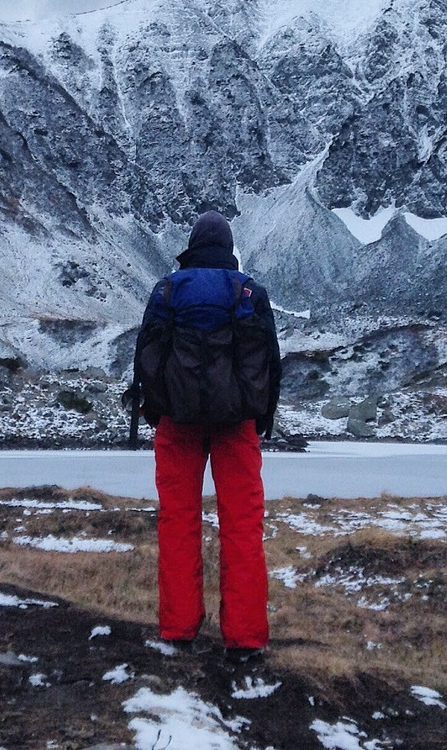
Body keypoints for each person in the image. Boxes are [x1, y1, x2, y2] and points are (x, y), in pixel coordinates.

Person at [129, 210, 282, 661]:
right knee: (242, 527)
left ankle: (178, 630)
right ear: (229, 249)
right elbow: (271, 362)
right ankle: (246, 638)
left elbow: (147, 358)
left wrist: (155, 411)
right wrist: (264, 415)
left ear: (191, 246)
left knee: (178, 522)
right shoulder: (250, 291)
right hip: (238, 425)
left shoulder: (168, 290)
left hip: (177, 424)